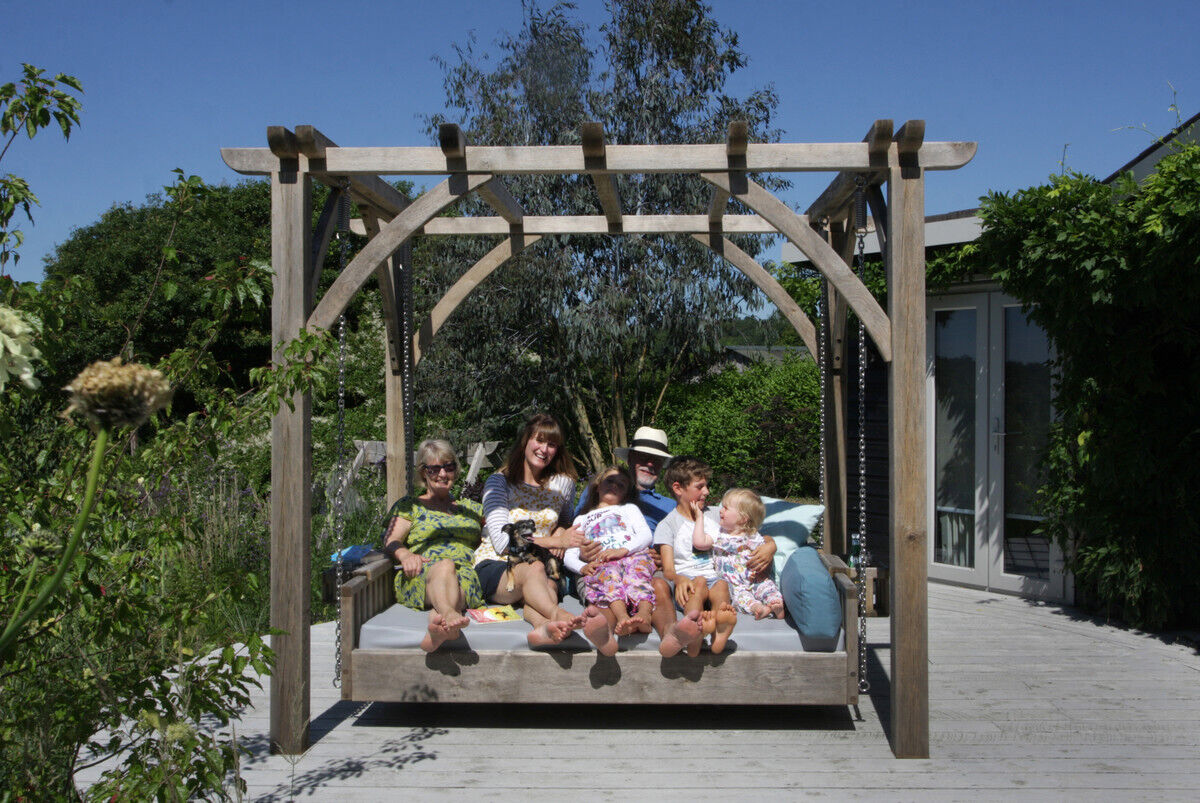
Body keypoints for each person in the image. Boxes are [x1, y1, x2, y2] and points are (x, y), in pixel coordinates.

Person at [476, 413, 588, 647]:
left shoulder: (563, 484)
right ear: (525, 441)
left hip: (541, 569)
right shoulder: (499, 482)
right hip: (497, 564)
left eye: (552, 444)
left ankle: (542, 628)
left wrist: (560, 531)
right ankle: (557, 614)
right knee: (534, 570)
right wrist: (556, 542)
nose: (544, 449)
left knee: (544, 582)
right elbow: (503, 542)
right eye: (539, 440)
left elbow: (565, 521)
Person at [381, 439, 484, 652]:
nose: (443, 474)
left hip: (464, 574)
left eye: (449, 467)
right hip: (421, 573)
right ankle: (449, 614)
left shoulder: (471, 508)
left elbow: (500, 529)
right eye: (434, 469)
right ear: (422, 472)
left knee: (453, 575)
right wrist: (405, 555)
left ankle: (439, 628)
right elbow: (391, 540)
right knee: (445, 566)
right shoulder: (410, 506)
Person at [654, 456, 741, 656]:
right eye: (700, 487)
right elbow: (668, 569)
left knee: (720, 584)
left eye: (706, 486)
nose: (707, 492)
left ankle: (720, 628)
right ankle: (695, 629)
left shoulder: (715, 514)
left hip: (716, 577)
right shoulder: (668, 525)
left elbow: (748, 526)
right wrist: (678, 578)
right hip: (690, 582)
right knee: (699, 583)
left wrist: (768, 544)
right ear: (678, 489)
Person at [565, 466, 656, 656]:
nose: (614, 486)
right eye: (610, 481)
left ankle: (644, 615)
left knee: (638, 577)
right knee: (608, 576)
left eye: (621, 485)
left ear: (626, 493)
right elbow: (569, 555)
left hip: (632, 555)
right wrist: (583, 567)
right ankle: (623, 618)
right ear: (597, 486)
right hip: (603, 562)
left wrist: (624, 550)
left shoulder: (629, 509)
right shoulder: (581, 519)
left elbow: (645, 535)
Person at [701, 488, 785, 620]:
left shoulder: (752, 536)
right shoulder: (718, 533)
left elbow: (765, 545)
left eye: (725, 508)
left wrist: (770, 545)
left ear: (743, 519)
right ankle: (758, 608)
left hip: (756, 579)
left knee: (768, 587)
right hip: (735, 586)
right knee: (741, 599)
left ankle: (776, 604)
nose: (720, 511)